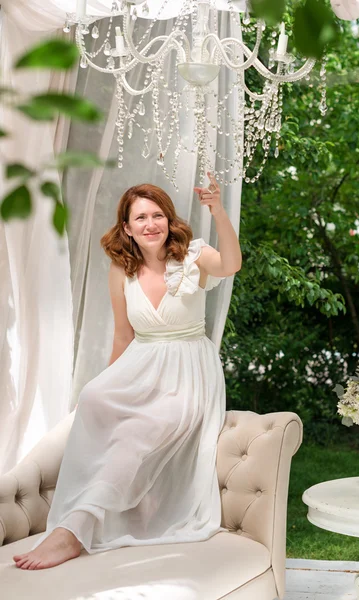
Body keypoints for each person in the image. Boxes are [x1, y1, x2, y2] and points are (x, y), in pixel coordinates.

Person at [13, 173, 242, 570]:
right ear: (126, 228)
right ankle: (100, 512)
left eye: (157, 215)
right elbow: (123, 336)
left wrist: (218, 211)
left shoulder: (193, 256)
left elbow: (231, 264)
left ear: (169, 221)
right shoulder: (122, 271)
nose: (150, 224)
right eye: (140, 218)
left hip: (189, 370)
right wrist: (107, 386)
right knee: (94, 398)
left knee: (135, 435)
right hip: (144, 365)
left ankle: (71, 534)